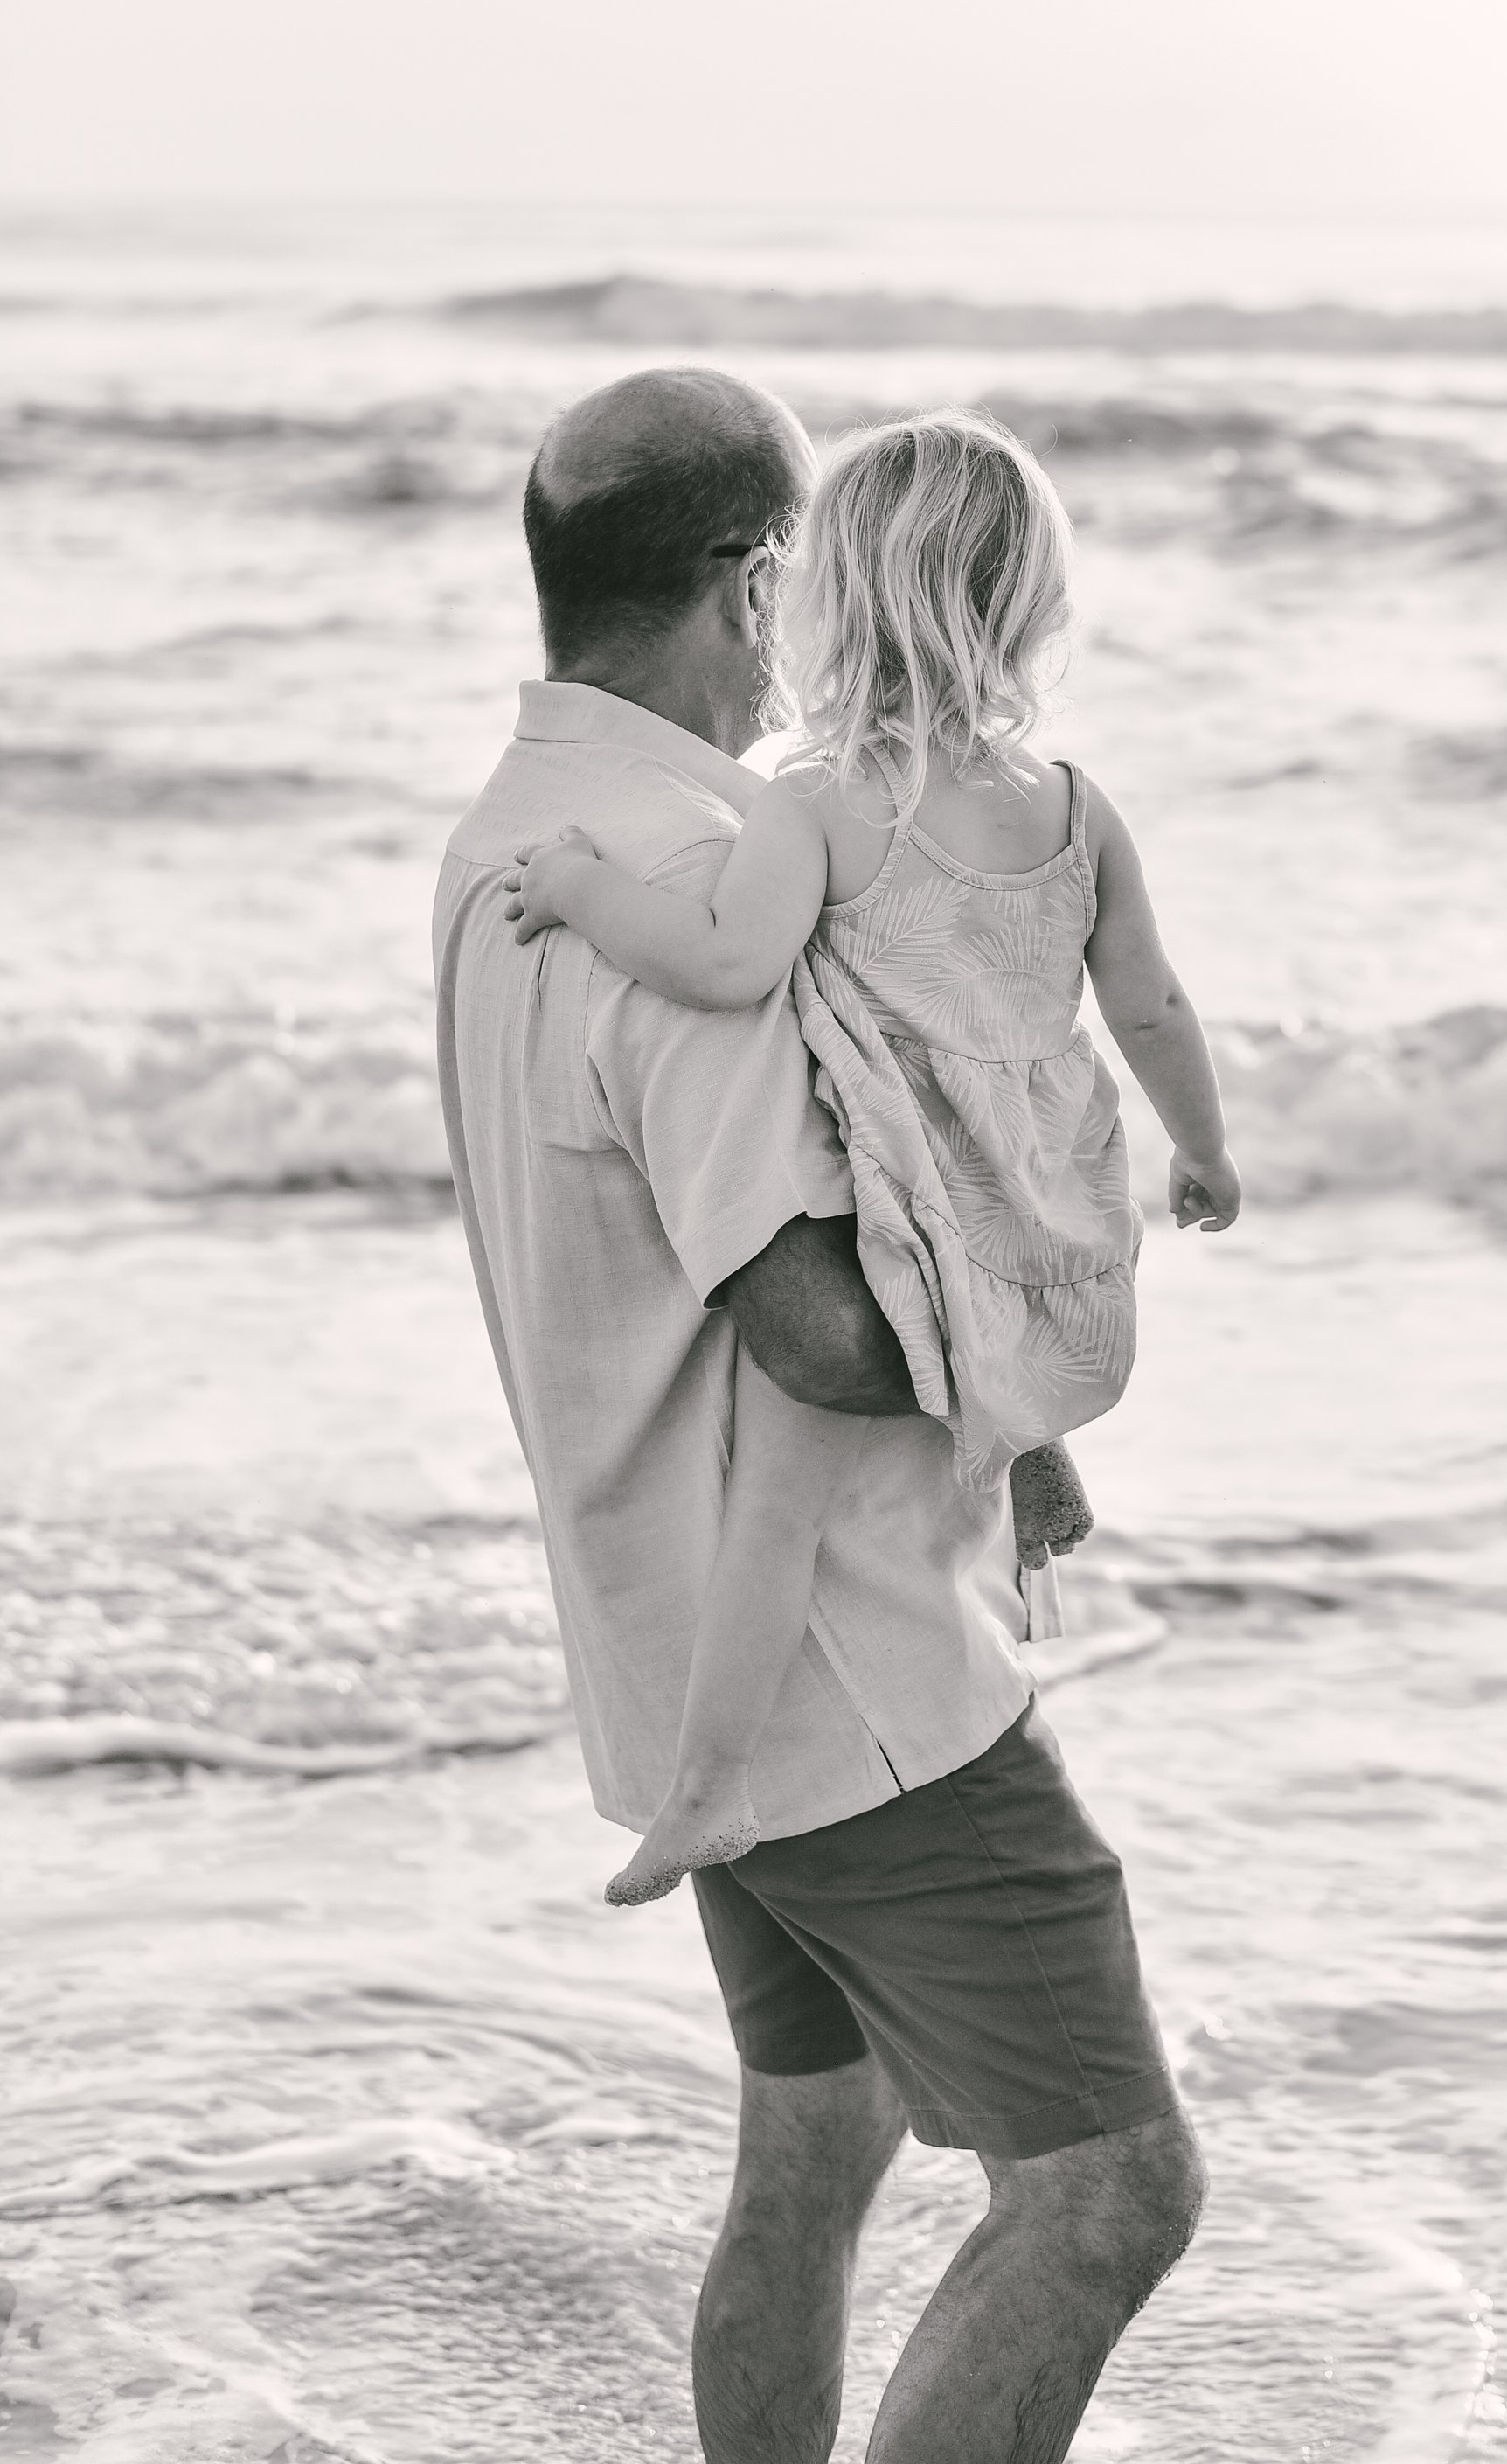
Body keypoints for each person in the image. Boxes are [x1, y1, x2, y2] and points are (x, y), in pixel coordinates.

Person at [434, 367, 1205, 2464]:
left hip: (677, 1641)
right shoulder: (693, 869)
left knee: (811, 2147)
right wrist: (1030, 1365)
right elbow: (817, 1323)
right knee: (1111, 2192)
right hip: (851, 1678)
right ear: (760, 578)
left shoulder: (509, 841)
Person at [503, 408, 1244, 1908]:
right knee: (981, 1292)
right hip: (1032, 1186)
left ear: (825, 598)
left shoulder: (821, 803)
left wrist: (581, 889)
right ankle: (1022, 1441)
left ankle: (708, 1785)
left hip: (899, 1198)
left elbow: (722, 961)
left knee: (778, 1502)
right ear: (1030, 607)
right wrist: (1203, 1146)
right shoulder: (1075, 805)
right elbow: (1150, 1001)